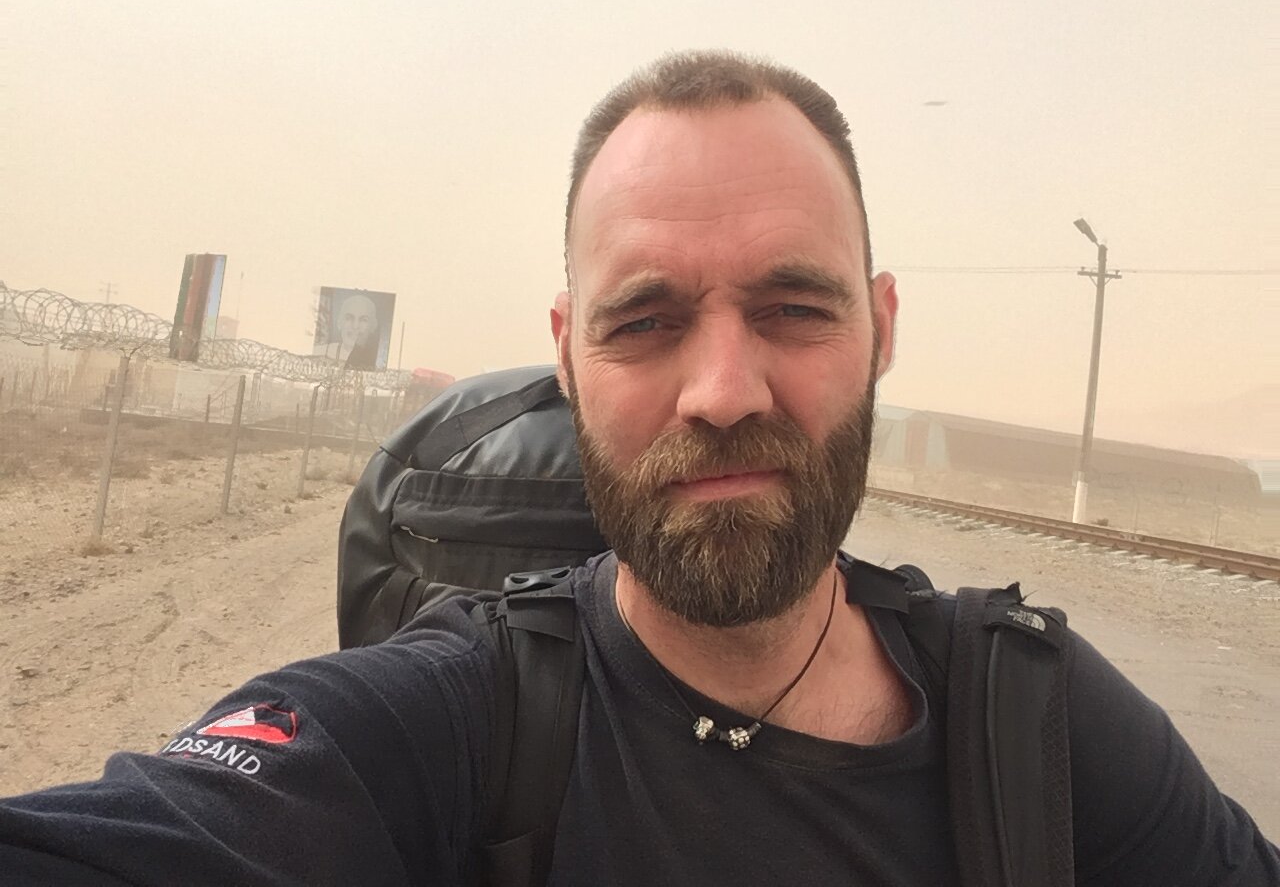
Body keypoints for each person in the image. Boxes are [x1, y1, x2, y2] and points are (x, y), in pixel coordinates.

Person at [1, 50, 1275, 886]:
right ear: (567, 354)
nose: (722, 391)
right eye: (645, 320)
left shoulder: (1036, 726)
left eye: (793, 307)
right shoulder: (447, 726)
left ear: (880, 328)